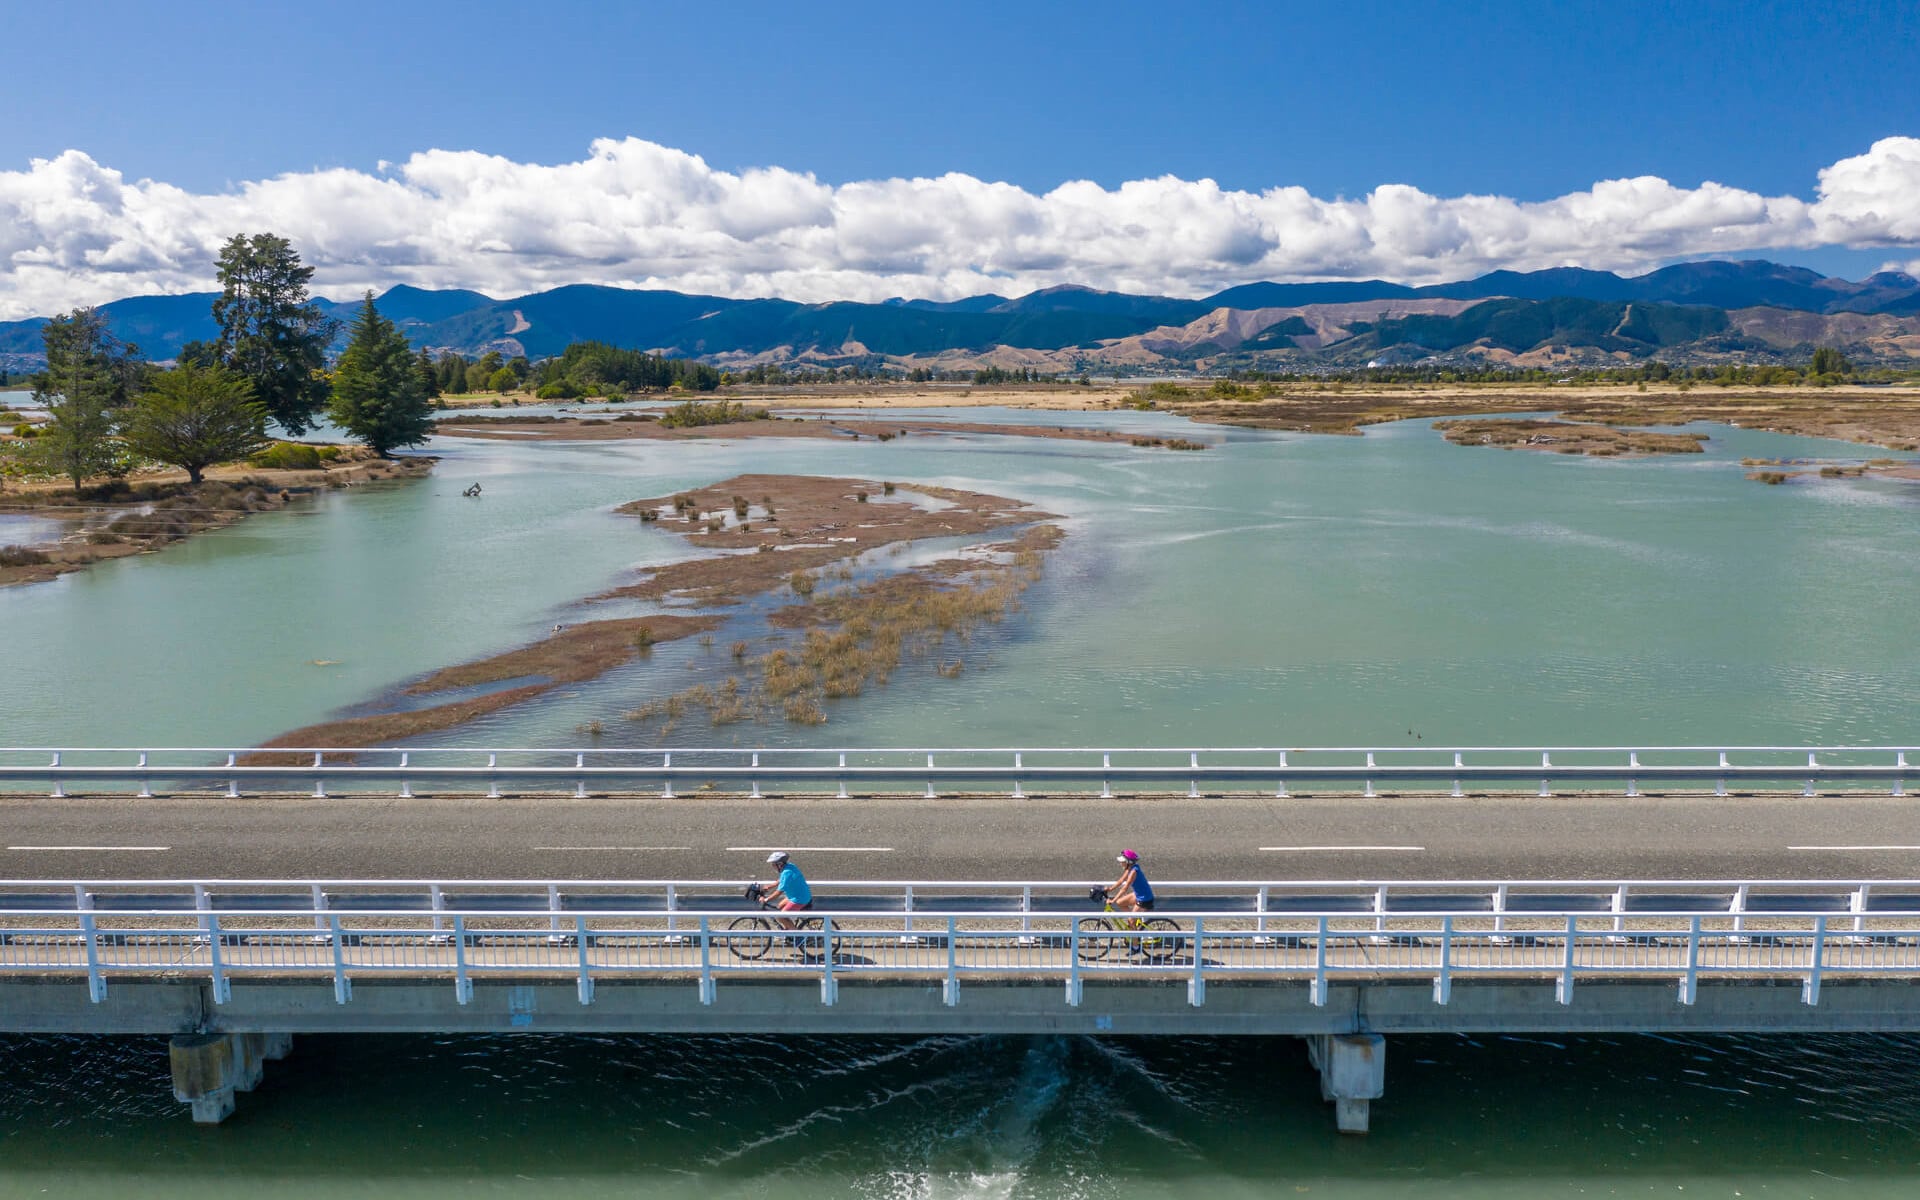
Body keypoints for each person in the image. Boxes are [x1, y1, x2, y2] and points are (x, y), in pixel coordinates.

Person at [759, 850, 814, 928]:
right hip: (795, 896)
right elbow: (781, 879)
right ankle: (788, 929)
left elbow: (778, 892)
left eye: (774, 864)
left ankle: (797, 937)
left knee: (780, 916)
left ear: (780, 864)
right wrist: (770, 886)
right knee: (779, 908)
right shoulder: (789, 866)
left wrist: (766, 900)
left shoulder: (787, 872)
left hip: (799, 899)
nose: (772, 866)